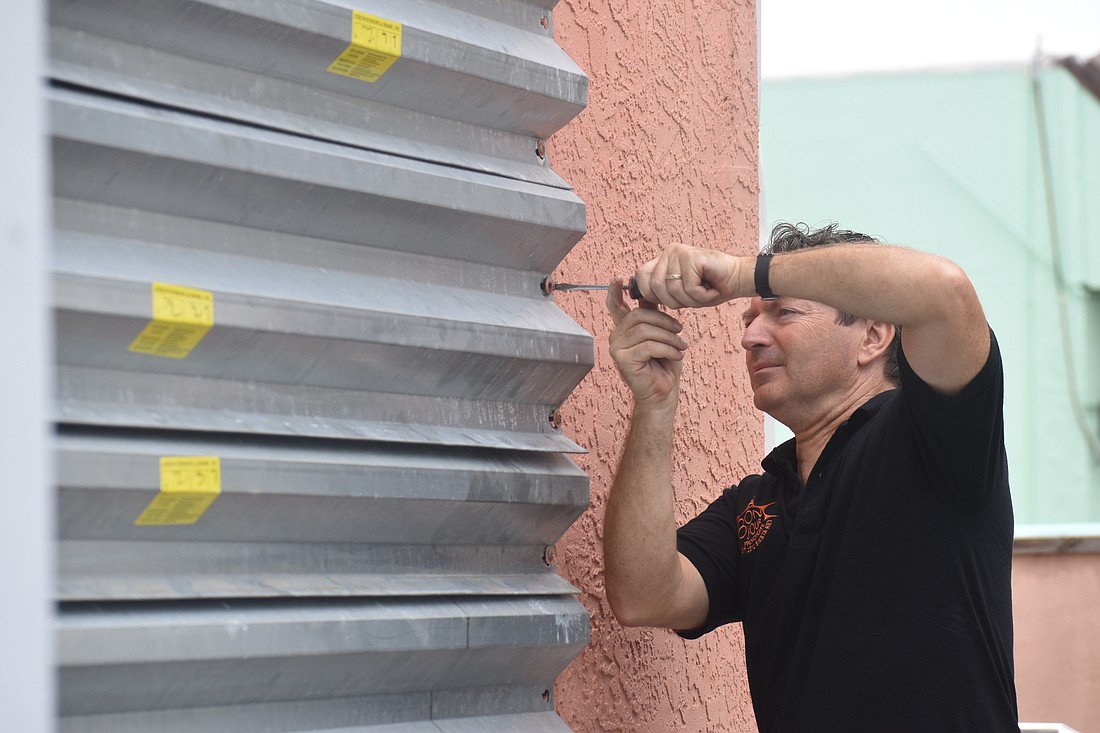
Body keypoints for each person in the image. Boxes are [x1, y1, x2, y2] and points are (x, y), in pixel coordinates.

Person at [603, 222, 1018, 732]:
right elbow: (645, 594)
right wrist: (654, 406)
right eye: (750, 317)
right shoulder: (755, 502)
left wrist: (740, 274)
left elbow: (945, 292)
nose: (751, 337)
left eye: (783, 311)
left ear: (872, 334)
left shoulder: (931, 436)